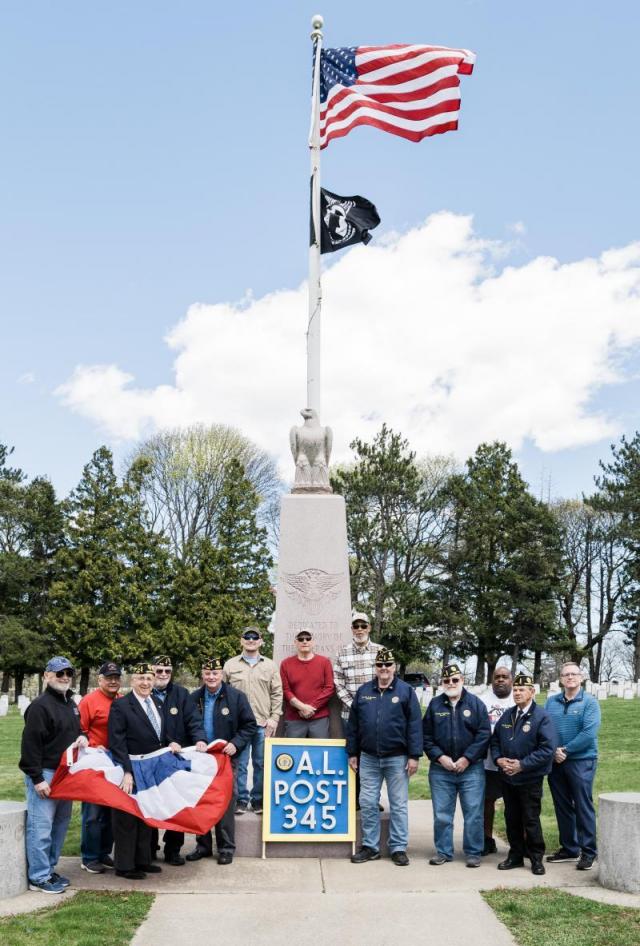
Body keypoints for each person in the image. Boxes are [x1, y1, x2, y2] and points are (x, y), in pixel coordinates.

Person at [19, 655, 88, 894]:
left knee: (59, 826)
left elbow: (76, 730)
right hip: (45, 774)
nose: (65, 677)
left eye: (68, 673)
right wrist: (37, 779)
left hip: (64, 774)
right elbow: (30, 746)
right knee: (41, 827)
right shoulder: (40, 706)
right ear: (46, 676)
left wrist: (83, 737)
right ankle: (38, 877)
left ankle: (49, 869)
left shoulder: (70, 703)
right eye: (59, 673)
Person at [347, 648, 422, 866]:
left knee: (398, 804)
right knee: (367, 802)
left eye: (388, 665)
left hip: (397, 758)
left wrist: (414, 755)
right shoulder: (364, 691)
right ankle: (370, 847)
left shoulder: (406, 691)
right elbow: (353, 725)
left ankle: (398, 848)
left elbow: (415, 725)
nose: (384, 668)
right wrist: (352, 752)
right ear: (375, 668)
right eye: (380, 665)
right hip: (368, 757)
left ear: (394, 667)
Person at [186, 657, 257, 865]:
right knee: (201, 801)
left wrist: (236, 743)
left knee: (225, 803)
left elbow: (249, 725)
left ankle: (226, 848)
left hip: (226, 758)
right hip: (201, 759)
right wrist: (196, 740)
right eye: (207, 673)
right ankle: (203, 845)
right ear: (202, 675)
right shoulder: (193, 698)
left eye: (215, 673)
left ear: (222, 675)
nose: (211, 677)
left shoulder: (237, 697)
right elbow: (188, 724)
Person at [423, 662, 491, 868]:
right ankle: (443, 851)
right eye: (446, 680)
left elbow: (484, 735)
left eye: (455, 680)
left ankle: (473, 852)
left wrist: (467, 758)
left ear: (462, 680)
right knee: (442, 814)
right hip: (441, 770)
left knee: (473, 813)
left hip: (471, 769)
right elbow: (426, 736)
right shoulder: (435, 705)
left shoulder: (476, 704)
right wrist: (439, 757)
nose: (451, 683)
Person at [108, 662, 170, 880]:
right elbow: (117, 742)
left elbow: (159, 734)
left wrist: (171, 743)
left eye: (149, 678)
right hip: (130, 767)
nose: (145, 682)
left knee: (145, 814)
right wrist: (126, 771)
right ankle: (125, 866)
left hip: (151, 769)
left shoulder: (157, 703)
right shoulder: (121, 706)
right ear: (132, 680)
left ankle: (143, 860)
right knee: (127, 818)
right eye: (141, 678)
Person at [491, 672, 557, 876]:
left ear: (532, 692)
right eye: (516, 690)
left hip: (529, 779)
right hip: (508, 778)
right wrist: (499, 759)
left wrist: (522, 765)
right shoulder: (508, 715)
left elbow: (547, 749)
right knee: (511, 818)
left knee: (530, 819)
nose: (517, 693)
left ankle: (536, 858)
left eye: (522, 690)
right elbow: (495, 741)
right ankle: (515, 855)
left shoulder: (542, 717)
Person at [150, 655, 207, 865]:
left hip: (177, 759)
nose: (163, 674)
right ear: (152, 671)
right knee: (151, 803)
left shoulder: (181, 694)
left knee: (177, 804)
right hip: (152, 759)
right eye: (159, 670)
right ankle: (149, 848)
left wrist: (200, 739)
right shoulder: (144, 692)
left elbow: (193, 720)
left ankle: (173, 850)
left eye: (167, 671)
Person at [545, 662, 601, 870]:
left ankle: (588, 852)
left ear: (581, 677)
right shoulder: (551, 702)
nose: (570, 677)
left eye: (574, 674)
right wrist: (553, 751)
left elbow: (589, 733)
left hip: (581, 760)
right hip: (555, 761)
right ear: (560, 679)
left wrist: (565, 750)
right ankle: (569, 848)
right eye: (566, 674)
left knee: (582, 805)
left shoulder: (590, 702)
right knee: (562, 806)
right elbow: (545, 729)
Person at [223, 627, 283, 815]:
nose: (251, 640)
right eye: (247, 637)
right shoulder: (230, 665)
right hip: (239, 726)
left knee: (261, 763)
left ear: (261, 641)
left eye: (254, 637)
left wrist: (274, 718)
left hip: (262, 724)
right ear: (241, 640)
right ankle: (241, 799)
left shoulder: (270, 666)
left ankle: (258, 800)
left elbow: (277, 693)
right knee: (240, 764)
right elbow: (223, 693)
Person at [78, 660, 123, 874]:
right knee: (93, 813)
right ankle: (89, 857)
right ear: (100, 680)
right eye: (109, 678)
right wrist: (92, 745)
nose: (113, 681)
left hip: (115, 764)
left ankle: (104, 852)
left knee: (111, 811)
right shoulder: (89, 701)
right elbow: (80, 730)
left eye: (116, 678)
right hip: (94, 763)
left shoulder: (121, 700)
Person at [479, 667, 514, 855]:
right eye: (497, 677)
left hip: (513, 763)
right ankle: (487, 839)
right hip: (488, 762)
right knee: (487, 802)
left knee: (515, 803)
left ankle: (519, 841)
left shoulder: (518, 698)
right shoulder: (482, 701)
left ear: (511, 680)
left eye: (505, 677)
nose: (500, 680)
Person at [280, 629, 335, 737]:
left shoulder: (324, 662)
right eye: (301, 639)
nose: (304, 641)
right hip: (294, 718)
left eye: (308, 638)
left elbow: (329, 688)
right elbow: (285, 690)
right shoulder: (286, 664)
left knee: (320, 748)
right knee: (293, 748)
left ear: (312, 641)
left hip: (319, 718)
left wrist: (312, 707)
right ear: (295, 642)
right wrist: (301, 707)